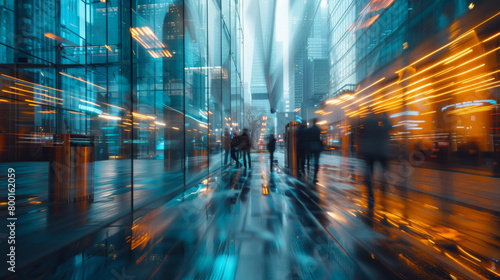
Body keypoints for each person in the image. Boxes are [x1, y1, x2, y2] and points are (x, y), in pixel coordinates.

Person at [358, 111, 391, 201]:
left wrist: (361, 150)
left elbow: (362, 137)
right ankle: (383, 185)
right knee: (383, 169)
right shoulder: (377, 125)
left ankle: (370, 193)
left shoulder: (365, 125)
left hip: (368, 151)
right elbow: (387, 129)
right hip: (377, 151)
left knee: (369, 172)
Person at [307, 119, 322, 183]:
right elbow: (320, 137)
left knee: (311, 159)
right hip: (317, 145)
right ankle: (315, 177)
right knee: (316, 161)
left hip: (311, 145)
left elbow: (308, 137)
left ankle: (310, 171)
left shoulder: (310, 129)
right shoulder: (318, 129)